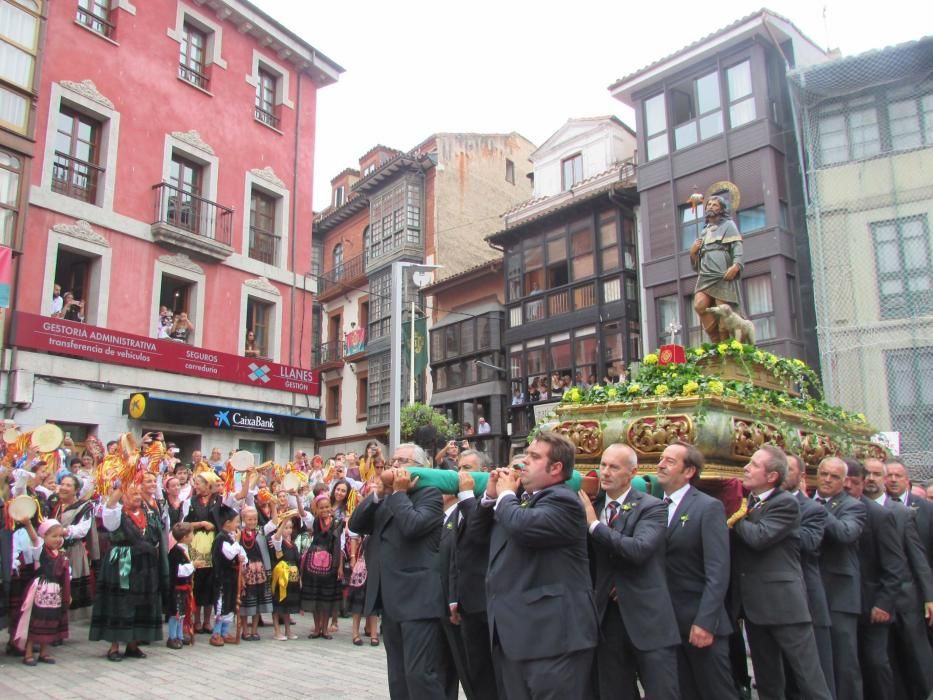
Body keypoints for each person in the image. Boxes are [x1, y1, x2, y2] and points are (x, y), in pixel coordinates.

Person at [468, 432, 598, 699]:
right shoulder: (521, 501)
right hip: (515, 636)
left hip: (552, 640)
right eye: (526, 454)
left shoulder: (564, 501)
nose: (524, 462)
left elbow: (522, 527)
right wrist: (491, 497)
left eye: (534, 457)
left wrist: (505, 496)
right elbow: (476, 537)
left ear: (556, 468)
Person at [729, 446, 832, 700]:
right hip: (755, 606)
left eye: (753, 464)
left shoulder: (784, 502)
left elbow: (760, 537)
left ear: (771, 476)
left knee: (809, 678)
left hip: (784, 606)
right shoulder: (751, 502)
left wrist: (736, 516)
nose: (746, 468)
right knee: (767, 679)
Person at [348, 443, 449, 700]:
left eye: (403, 461)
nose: (395, 466)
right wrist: (378, 496)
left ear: (421, 468)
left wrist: (399, 494)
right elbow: (356, 524)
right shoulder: (389, 496)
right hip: (391, 599)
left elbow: (412, 526)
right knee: (398, 675)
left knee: (420, 674)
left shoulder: (430, 495)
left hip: (419, 599)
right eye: (394, 460)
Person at [581, 442, 680, 700]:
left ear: (632, 473)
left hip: (648, 618)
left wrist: (594, 526)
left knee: (662, 691)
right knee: (615, 691)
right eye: (602, 465)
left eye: (614, 467)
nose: (605, 472)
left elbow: (639, 549)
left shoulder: (652, 507)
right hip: (608, 618)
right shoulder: (592, 504)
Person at [656, 442, 738, 700]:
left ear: (689, 471)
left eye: (670, 461)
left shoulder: (707, 507)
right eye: (661, 458)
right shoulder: (654, 507)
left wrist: (705, 621)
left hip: (700, 623)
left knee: (715, 691)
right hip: (668, 624)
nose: (660, 464)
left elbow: (718, 571)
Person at [868, 459, 933, 699]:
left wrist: (929, 597)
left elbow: (919, 559)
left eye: (898, 475)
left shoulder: (910, 512)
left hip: (908, 598)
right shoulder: (863, 508)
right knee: (888, 661)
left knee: (918, 658)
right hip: (878, 599)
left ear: (907, 480)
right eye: (889, 475)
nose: (893, 480)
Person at [844, 459, 904, 700]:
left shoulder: (878, 515)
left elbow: (894, 565)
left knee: (876, 663)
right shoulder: (832, 510)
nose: (848, 486)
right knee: (850, 664)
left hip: (873, 606)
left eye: (853, 482)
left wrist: (884, 603)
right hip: (845, 604)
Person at [90, 484, 164, 661]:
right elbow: (109, 507)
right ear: (123, 496)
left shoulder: (148, 513)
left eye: (139, 493)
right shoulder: (116, 514)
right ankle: (114, 647)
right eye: (133, 493)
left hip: (143, 563)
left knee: (139, 602)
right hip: (122, 562)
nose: (137, 496)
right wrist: (122, 483)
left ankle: (133, 645)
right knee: (120, 602)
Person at [782, 454, 835, 699]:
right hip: (775, 601)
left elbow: (811, 542)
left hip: (806, 599)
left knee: (813, 675)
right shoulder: (756, 505)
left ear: (801, 476)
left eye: (789, 469)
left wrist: (778, 522)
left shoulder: (812, 508)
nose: (782, 472)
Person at [815, 456, 867, 700]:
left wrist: (818, 509)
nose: (826, 479)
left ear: (844, 481)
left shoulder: (852, 505)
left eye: (834, 476)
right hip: (811, 592)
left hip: (840, 595)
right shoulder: (804, 500)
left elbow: (845, 533)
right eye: (823, 473)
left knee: (844, 661)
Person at [448, 470, 500, 699]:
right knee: (476, 674)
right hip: (467, 603)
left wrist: (468, 495)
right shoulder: (456, 509)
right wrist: (454, 596)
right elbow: (453, 557)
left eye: (469, 468)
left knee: (496, 674)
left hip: (491, 602)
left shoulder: (498, 504)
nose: (462, 476)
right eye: (460, 469)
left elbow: (479, 532)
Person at [13, 518, 69, 666]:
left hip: (55, 593)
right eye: (53, 536)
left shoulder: (61, 554)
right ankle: (29, 652)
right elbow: (34, 538)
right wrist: (28, 524)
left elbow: (64, 576)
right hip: (40, 590)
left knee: (50, 621)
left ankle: (44, 652)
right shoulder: (40, 551)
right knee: (35, 621)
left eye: (60, 536)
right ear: (44, 536)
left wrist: (67, 594)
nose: (57, 539)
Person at [690, 194, 744, 342]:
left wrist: (736, 265)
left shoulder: (729, 225)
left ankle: (725, 345)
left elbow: (737, 246)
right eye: (709, 205)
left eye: (715, 205)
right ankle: (715, 339)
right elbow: (697, 262)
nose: (711, 207)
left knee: (722, 311)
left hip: (722, 271)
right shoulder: (704, 231)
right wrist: (693, 252)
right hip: (706, 272)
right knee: (700, 305)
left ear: (721, 209)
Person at [51, 473, 97, 618]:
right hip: (52, 551)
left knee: (68, 586)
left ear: (76, 490)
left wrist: (61, 532)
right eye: (62, 484)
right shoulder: (54, 503)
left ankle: (63, 623)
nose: (64, 488)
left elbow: (82, 529)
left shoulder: (84, 507)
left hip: (72, 550)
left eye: (68, 485)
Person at [301, 494, 343, 639]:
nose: (324, 510)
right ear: (316, 509)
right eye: (321, 508)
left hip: (330, 564)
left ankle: (324, 629)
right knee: (314, 597)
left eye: (327, 507)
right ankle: (316, 628)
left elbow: (338, 545)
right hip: (313, 564)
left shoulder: (337, 523)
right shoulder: (315, 522)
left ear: (330, 508)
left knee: (326, 598)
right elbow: (302, 514)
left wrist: (338, 566)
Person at [210, 505, 246, 647]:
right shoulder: (221, 538)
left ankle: (225, 632)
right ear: (227, 523)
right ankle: (216, 633)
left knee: (230, 605)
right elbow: (229, 553)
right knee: (221, 605)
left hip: (231, 577)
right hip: (222, 578)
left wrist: (242, 557)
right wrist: (237, 542)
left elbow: (238, 553)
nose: (238, 525)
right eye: (236, 522)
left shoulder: (230, 537)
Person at [238, 506, 273, 641]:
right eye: (249, 519)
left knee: (258, 600)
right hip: (246, 571)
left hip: (259, 570)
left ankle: (254, 630)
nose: (252, 522)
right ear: (244, 520)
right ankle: (245, 630)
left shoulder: (260, 533)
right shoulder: (239, 534)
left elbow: (274, 523)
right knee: (245, 600)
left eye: (255, 519)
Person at [166, 521, 199, 649]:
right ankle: (172, 637)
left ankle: (180, 635)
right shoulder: (175, 552)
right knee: (175, 613)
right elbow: (178, 571)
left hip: (185, 587)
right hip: (176, 587)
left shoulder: (185, 549)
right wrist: (192, 565)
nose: (193, 536)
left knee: (182, 612)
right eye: (191, 534)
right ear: (185, 537)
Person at [269, 517, 301, 641]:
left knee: (287, 605)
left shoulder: (293, 545)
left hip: (292, 578)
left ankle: (288, 630)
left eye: (290, 528)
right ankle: (277, 630)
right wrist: (283, 522)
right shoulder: (278, 543)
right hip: (281, 576)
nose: (288, 530)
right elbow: (276, 538)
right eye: (285, 528)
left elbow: (297, 562)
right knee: (278, 604)